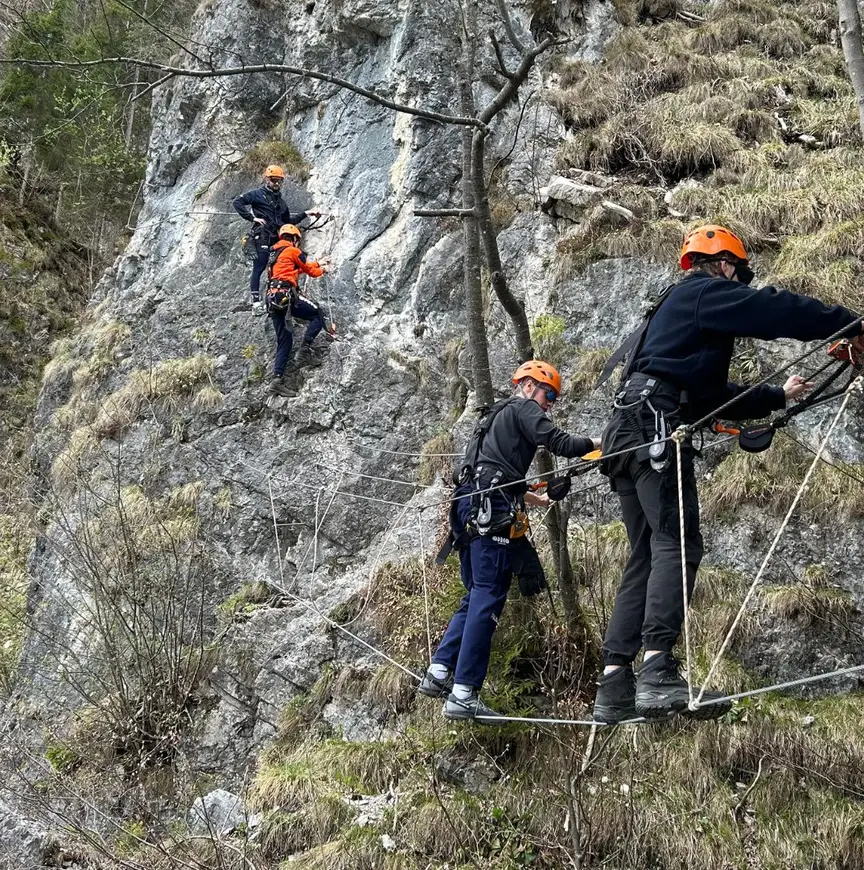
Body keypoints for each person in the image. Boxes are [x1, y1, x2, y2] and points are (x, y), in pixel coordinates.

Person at [592, 224, 864, 725]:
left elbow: (710, 396)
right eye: (738, 274)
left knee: (645, 554)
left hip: (628, 432)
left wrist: (778, 396)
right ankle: (656, 670)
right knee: (677, 544)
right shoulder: (703, 291)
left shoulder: (671, 317)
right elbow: (773, 310)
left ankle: (614, 685)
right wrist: (849, 323)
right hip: (655, 427)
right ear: (723, 265)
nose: (739, 283)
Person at [419, 361, 601, 721]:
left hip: (469, 507)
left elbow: (492, 473)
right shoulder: (523, 407)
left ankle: (439, 672)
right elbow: (560, 442)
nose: (548, 404)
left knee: (476, 594)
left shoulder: (492, 417)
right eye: (548, 395)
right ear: (529, 385)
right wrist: (602, 442)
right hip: (490, 507)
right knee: (488, 596)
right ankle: (464, 692)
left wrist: (537, 499)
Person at [232, 165, 319, 313]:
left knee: (275, 267)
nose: (276, 183)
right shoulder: (257, 194)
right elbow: (237, 202)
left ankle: (273, 297)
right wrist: (252, 218)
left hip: (275, 240)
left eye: (279, 181)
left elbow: (288, 222)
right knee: (259, 266)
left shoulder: (281, 203)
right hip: (261, 236)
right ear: (266, 179)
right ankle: (256, 303)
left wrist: (306, 213)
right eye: (273, 180)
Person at [267, 224, 331, 397]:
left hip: (273, 299)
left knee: (284, 341)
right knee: (317, 314)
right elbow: (310, 271)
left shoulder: (274, 254)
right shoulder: (293, 251)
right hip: (286, 296)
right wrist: (322, 269)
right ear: (295, 239)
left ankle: (276, 380)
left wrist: (317, 263)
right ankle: (304, 351)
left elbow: (294, 270)